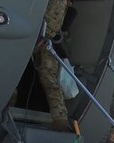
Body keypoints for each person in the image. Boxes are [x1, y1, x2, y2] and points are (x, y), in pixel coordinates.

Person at [34, 0, 70, 131]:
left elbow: (53, 21)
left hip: (42, 40)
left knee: (49, 79)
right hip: (38, 37)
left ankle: (60, 118)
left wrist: (40, 38)